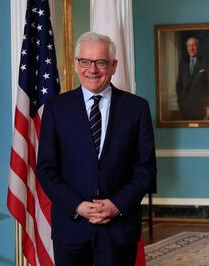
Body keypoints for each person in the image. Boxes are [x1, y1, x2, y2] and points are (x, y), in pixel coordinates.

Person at [36, 31, 156, 266]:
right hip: (72, 228)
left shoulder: (137, 108)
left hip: (118, 229)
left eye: (100, 62)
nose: (92, 69)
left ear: (113, 66)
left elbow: (146, 170)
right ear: (75, 64)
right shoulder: (56, 108)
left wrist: (116, 205)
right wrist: (77, 206)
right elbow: (47, 170)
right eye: (85, 61)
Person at [176, 36, 209, 120]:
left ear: (198, 46)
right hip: (185, 109)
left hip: (201, 109)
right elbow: (179, 84)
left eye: (194, 45)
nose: (191, 48)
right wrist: (180, 103)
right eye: (189, 46)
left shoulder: (206, 61)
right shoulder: (183, 63)